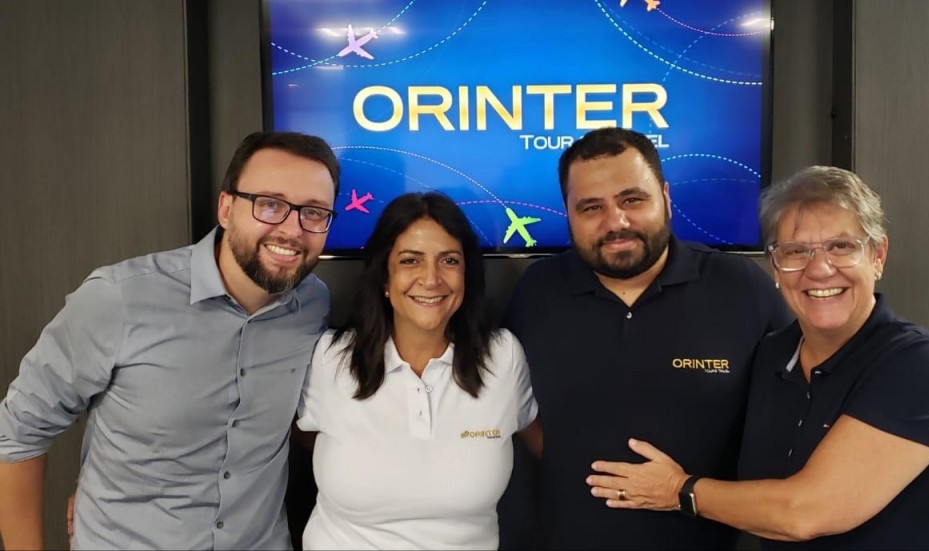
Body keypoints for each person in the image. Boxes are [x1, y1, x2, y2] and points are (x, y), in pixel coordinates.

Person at [586, 166, 929, 548]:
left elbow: (806, 512)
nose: (820, 269)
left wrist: (678, 490)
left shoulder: (917, 363)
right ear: (776, 265)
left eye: (841, 246)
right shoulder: (772, 356)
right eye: (796, 251)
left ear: (878, 256)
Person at [0, 131, 339, 550]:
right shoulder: (120, 298)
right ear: (227, 208)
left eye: (314, 212)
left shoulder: (312, 304)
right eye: (270, 205)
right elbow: (19, 432)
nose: (292, 229)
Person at [502, 127, 793, 549]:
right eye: (591, 207)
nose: (615, 221)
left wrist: (685, 490)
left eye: (632, 200)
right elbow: (515, 401)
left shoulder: (742, 288)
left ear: (666, 197)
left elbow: (796, 414)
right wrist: (567, 458)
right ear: (568, 212)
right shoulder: (538, 291)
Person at [296, 192, 541, 550]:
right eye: (410, 261)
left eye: (449, 261)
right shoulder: (330, 359)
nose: (431, 279)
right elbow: (288, 434)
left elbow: (550, 445)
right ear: (384, 277)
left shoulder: (503, 358)